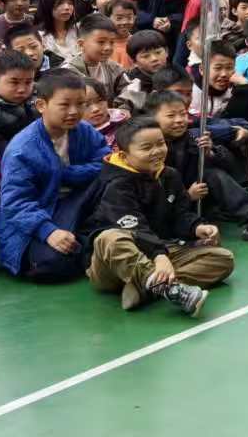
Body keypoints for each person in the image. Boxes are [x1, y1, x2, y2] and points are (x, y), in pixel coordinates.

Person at [82, 114, 235, 317]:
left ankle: (146, 287)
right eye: (146, 148)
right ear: (124, 153)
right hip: (115, 264)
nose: (157, 152)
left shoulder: (169, 175)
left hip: (157, 250)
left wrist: (197, 227)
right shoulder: (116, 184)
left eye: (160, 144)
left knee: (223, 259)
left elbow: (179, 215)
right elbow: (134, 228)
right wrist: (159, 256)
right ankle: (170, 289)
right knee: (109, 237)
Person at [0, 70, 109, 281]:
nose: (74, 112)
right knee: (48, 264)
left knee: (113, 179)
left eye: (80, 104)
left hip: (75, 202)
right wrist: (48, 232)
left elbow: (106, 163)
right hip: (41, 211)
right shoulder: (22, 149)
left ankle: (95, 244)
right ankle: (97, 246)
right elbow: (15, 202)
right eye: (65, 105)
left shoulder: (84, 130)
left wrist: (66, 173)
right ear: (41, 106)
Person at [146, 90, 248, 242]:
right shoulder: (146, 148)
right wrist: (187, 196)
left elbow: (232, 169)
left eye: (183, 114)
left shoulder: (193, 136)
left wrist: (211, 153)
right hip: (168, 210)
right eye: (171, 116)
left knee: (213, 174)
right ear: (152, 118)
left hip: (198, 202)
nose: (179, 120)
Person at [66, 14, 128, 99]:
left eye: (112, 42)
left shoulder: (113, 67)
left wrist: (123, 107)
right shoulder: (69, 71)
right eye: (101, 42)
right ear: (81, 44)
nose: (108, 47)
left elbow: (129, 87)